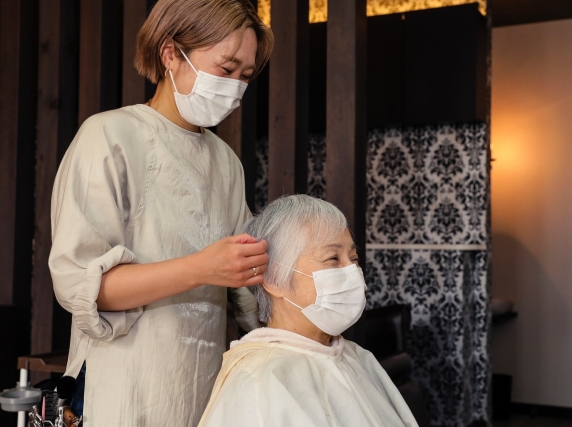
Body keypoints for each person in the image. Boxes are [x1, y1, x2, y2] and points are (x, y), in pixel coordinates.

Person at [48, 1, 273, 425]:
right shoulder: (110, 136)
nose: (234, 88)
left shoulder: (226, 162)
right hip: (122, 390)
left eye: (245, 76)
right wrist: (202, 268)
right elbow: (85, 287)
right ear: (171, 53)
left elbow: (248, 287)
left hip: (200, 390)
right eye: (225, 69)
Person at [197, 195, 419, 427]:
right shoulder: (256, 382)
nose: (352, 271)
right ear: (274, 279)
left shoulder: (357, 357)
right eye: (333, 258)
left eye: (354, 258)